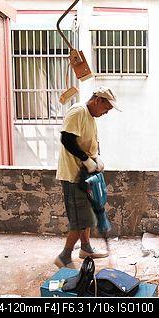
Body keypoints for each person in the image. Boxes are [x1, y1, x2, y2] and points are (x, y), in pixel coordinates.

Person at [54, 86, 121, 269]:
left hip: (86, 175)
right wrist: (85, 159)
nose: (106, 113)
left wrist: (96, 158)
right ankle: (64, 257)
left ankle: (86, 249)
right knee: (80, 219)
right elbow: (66, 139)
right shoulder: (78, 111)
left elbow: (92, 143)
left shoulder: (91, 117)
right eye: (106, 109)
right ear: (98, 100)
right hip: (74, 175)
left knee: (89, 215)